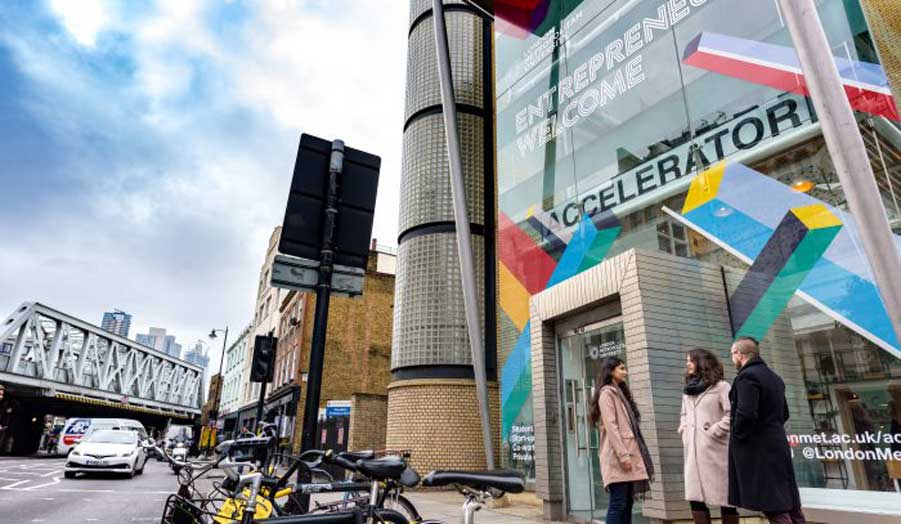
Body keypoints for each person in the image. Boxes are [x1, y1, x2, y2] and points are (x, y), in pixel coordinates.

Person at [728, 337, 805, 524]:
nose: (732, 359)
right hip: (777, 443)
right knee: (790, 504)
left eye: (732, 354)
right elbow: (784, 413)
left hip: (758, 450)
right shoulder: (774, 377)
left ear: (739, 354)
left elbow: (746, 413)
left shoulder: (747, 377)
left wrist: (738, 436)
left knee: (773, 505)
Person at [588, 357, 655, 524]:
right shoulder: (606, 394)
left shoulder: (620, 393)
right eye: (621, 368)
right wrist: (623, 456)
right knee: (618, 503)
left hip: (628, 456)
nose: (625, 372)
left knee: (627, 503)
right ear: (611, 371)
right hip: (618, 458)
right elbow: (612, 428)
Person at [679, 348, 738, 524]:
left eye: (690, 360)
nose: (687, 364)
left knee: (725, 498)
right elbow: (684, 413)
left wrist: (715, 431)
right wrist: (684, 429)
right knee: (695, 498)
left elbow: (732, 414)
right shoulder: (688, 390)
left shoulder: (722, 387)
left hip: (715, 450)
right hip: (693, 450)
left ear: (701, 362)